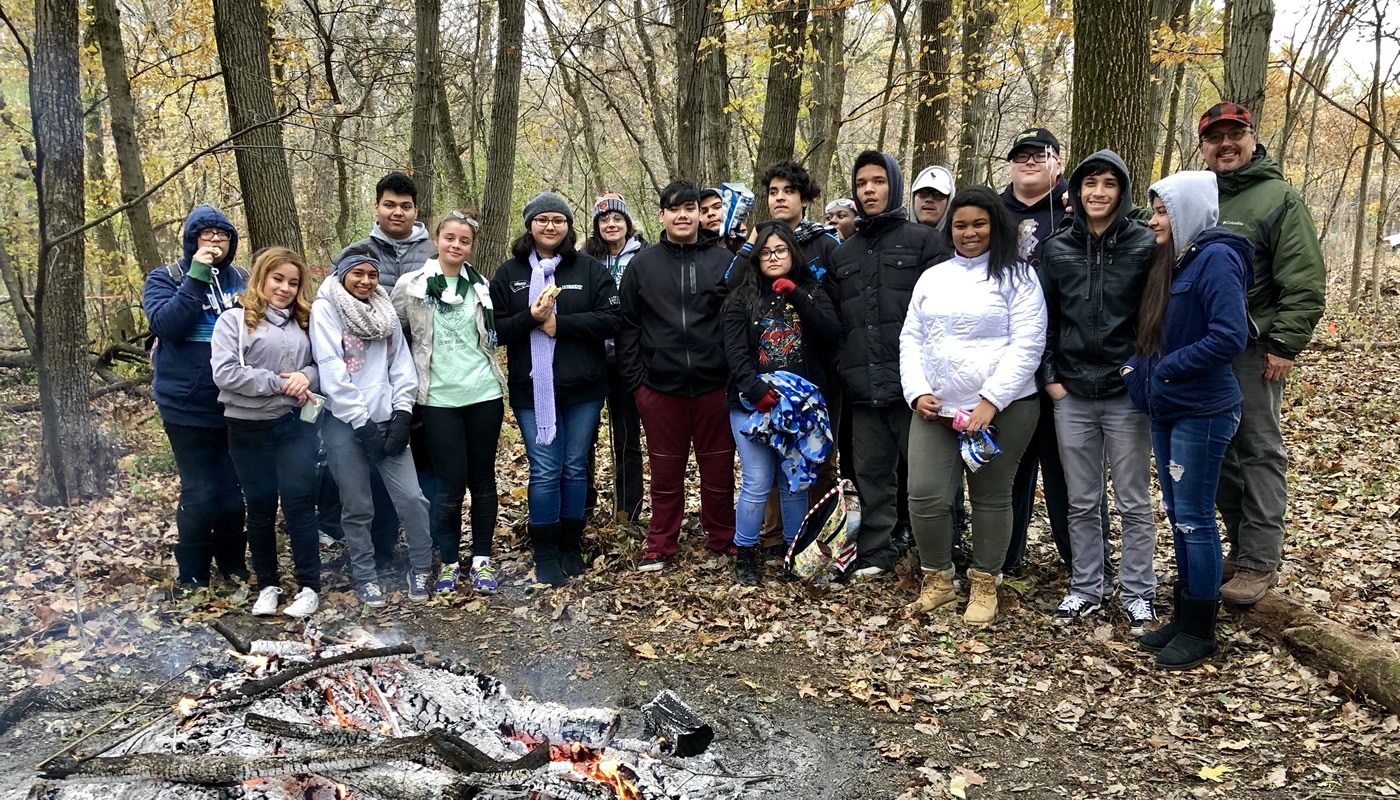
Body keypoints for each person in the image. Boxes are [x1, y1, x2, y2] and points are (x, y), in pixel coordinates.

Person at [1122, 170, 1252, 669]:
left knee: (1196, 518)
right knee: (1179, 514)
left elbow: (1228, 336)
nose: (1155, 221)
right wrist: (1140, 370)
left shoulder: (1217, 258)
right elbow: (1156, 332)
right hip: (1168, 407)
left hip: (1203, 409)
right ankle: (1184, 615)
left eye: (1162, 212)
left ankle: (1201, 630)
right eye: (1154, 211)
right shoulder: (1176, 260)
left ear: (1187, 213)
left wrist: (1166, 370)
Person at [899, 186, 1046, 626]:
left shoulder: (1018, 276)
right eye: (960, 225)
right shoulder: (934, 277)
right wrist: (916, 391)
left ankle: (985, 582)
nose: (969, 232)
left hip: (1003, 409)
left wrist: (991, 401)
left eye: (978, 223)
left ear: (994, 225)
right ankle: (939, 580)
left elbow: (1029, 343)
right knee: (924, 495)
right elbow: (912, 337)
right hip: (937, 409)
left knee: (990, 496)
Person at [1198, 102, 1326, 605]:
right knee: (1219, 453)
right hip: (1203, 348)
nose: (1226, 144)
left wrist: (1284, 345)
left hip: (1254, 349)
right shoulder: (1200, 195)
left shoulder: (1278, 198)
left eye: (1236, 134)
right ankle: (1240, 547)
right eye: (1215, 137)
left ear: (1253, 139)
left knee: (1258, 450)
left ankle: (1259, 561)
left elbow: (1305, 281)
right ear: (1203, 145)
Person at [1039, 150, 1158, 634]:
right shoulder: (1056, 248)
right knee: (1081, 499)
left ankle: (1138, 592)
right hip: (1071, 391)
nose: (1099, 192)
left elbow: (1155, 317)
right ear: (1077, 190)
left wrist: (1138, 371)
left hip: (1125, 391)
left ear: (1122, 190)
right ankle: (1087, 587)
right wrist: (1051, 378)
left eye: (1109, 183)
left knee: (1132, 499)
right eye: (1090, 183)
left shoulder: (1145, 245)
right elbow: (1043, 319)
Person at [491, 193, 622, 586]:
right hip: (533, 391)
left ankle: (570, 545)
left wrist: (560, 325)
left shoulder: (589, 269)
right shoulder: (508, 273)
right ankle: (545, 551)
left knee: (574, 466)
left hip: (584, 388)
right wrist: (530, 319)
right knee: (546, 471)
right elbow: (494, 329)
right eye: (543, 219)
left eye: (558, 220)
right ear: (530, 225)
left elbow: (613, 319)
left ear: (568, 226)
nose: (550, 226)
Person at [830, 150, 948, 577]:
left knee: (926, 477)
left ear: (894, 185)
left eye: (877, 181)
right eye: (862, 183)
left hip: (915, 387)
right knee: (872, 473)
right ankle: (878, 549)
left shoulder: (925, 242)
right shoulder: (844, 254)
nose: (869, 190)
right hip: (863, 386)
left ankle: (938, 551)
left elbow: (941, 318)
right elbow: (838, 319)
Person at [998, 127, 1105, 576]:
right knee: (1010, 469)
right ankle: (1003, 557)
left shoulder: (1076, 207)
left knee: (1069, 474)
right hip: (1007, 364)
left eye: (1039, 155)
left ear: (1058, 162)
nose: (1029, 162)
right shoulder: (992, 213)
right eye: (1021, 155)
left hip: (1065, 360)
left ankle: (1085, 563)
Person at [618, 181, 736, 571]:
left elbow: (736, 322)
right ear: (661, 215)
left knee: (718, 472)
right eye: (674, 209)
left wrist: (731, 371)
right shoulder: (642, 265)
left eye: (690, 208)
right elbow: (628, 326)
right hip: (659, 389)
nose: (683, 215)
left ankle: (722, 538)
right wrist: (639, 383)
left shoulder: (723, 262)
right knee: (665, 474)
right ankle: (661, 543)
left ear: (701, 215)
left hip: (714, 386)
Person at [390, 209, 506, 594]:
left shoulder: (480, 286)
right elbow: (392, 335)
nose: (456, 245)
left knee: (483, 480)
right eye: (450, 238)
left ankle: (483, 561)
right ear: (436, 240)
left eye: (465, 241)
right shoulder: (412, 286)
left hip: (483, 394)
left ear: (472, 247)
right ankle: (450, 562)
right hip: (437, 398)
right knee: (449, 485)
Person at [312, 249, 433, 608]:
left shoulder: (385, 311)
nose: (365, 281)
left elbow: (401, 365)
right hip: (345, 423)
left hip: (387, 418)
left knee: (412, 498)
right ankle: (365, 575)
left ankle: (422, 566)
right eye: (357, 274)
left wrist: (401, 415)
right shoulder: (326, 308)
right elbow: (331, 368)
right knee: (357, 503)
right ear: (343, 274)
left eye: (371, 275)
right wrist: (362, 423)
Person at [332, 171, 437, 572]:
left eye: (405, 205)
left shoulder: (432, 249)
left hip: (425, 377)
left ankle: (425, 550)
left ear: (416, 209)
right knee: (373, 469)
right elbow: (337, 313)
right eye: (389, 204)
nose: (398, 212)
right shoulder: (356, 252)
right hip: (368, 380)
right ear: (376, 207)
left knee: (421, 469)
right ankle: (379, 549)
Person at [724, 221, 839, 585]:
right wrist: (754, 389)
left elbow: (830, 333)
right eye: (766, 252)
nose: (773, 258)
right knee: (758, 481)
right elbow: (734, 351)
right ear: (757, 258)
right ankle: (745, 552)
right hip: (752, 403)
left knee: (795, 482)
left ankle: (794, 550)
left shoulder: (811, 290)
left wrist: (798, 296)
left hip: (800, 408)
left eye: (781, 251)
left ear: (793, 254)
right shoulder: (740, 298)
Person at [210, 247, 322, 618]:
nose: (285, 288)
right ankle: (268, 584)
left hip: (293, 426)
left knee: (300, 505)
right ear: (260, 278)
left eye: (293, 282)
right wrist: (277, 383)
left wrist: (306, 377)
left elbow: (321, 364)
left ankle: (309, 586)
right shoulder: (234, 321)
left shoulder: (305, 322)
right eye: (278, 279)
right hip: (246, 427)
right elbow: (225, 373)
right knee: (259, 507)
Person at [142, 205, 249, 590]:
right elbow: (167, 324)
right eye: (207, 234)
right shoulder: (165, 278)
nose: (216, 240)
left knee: (233, 487)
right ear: (191, 240)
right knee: (200, 488)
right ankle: (193, 574)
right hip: (185, 403)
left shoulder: (243, 278)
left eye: (223, 235)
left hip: (237, 401)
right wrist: (197, 276)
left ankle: (234, 564)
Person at [583, 192, 647, 524]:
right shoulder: (584, 259)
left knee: (626, 437)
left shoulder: (643, 257)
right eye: (604, 219)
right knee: (584, 438)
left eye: (617, 219)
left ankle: (629, 512)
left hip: (628, 360)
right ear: (597, 226)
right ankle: (583, 507)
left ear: (627, 224)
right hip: (591, 358)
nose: (611, 224)